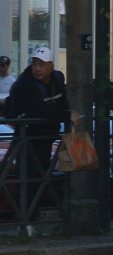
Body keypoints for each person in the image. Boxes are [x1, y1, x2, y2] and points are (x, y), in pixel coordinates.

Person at [7, 47, 82, 209]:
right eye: (34, 64)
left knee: (42, 177)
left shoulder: (57, 79)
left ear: (51, 66)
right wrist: (66, 115)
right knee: (28, 178)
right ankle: (27, 222)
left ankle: (36, 216)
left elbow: (61, 102)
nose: (37, 69)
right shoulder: (26, 84)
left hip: (47, 137)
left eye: (41, 65)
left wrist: (67, 111)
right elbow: (37, 110)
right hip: (27, 138)